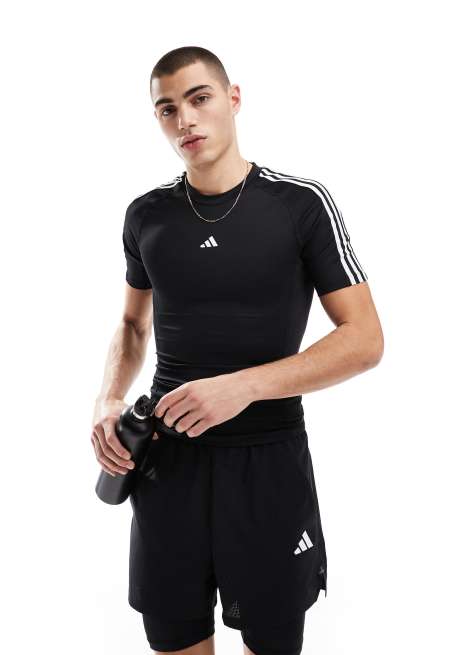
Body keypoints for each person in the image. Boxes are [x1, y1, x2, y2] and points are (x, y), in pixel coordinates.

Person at [91, 45, 384, 655]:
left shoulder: (300, 204)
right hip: (166, 464)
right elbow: (132, 324)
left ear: (233, 98)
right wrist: (108, 398)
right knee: (173, 639)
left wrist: (244, 386)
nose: (184, 120)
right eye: (167, 109)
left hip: (266, 464)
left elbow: (364, 339)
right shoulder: (146, 215)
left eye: (199, 99)